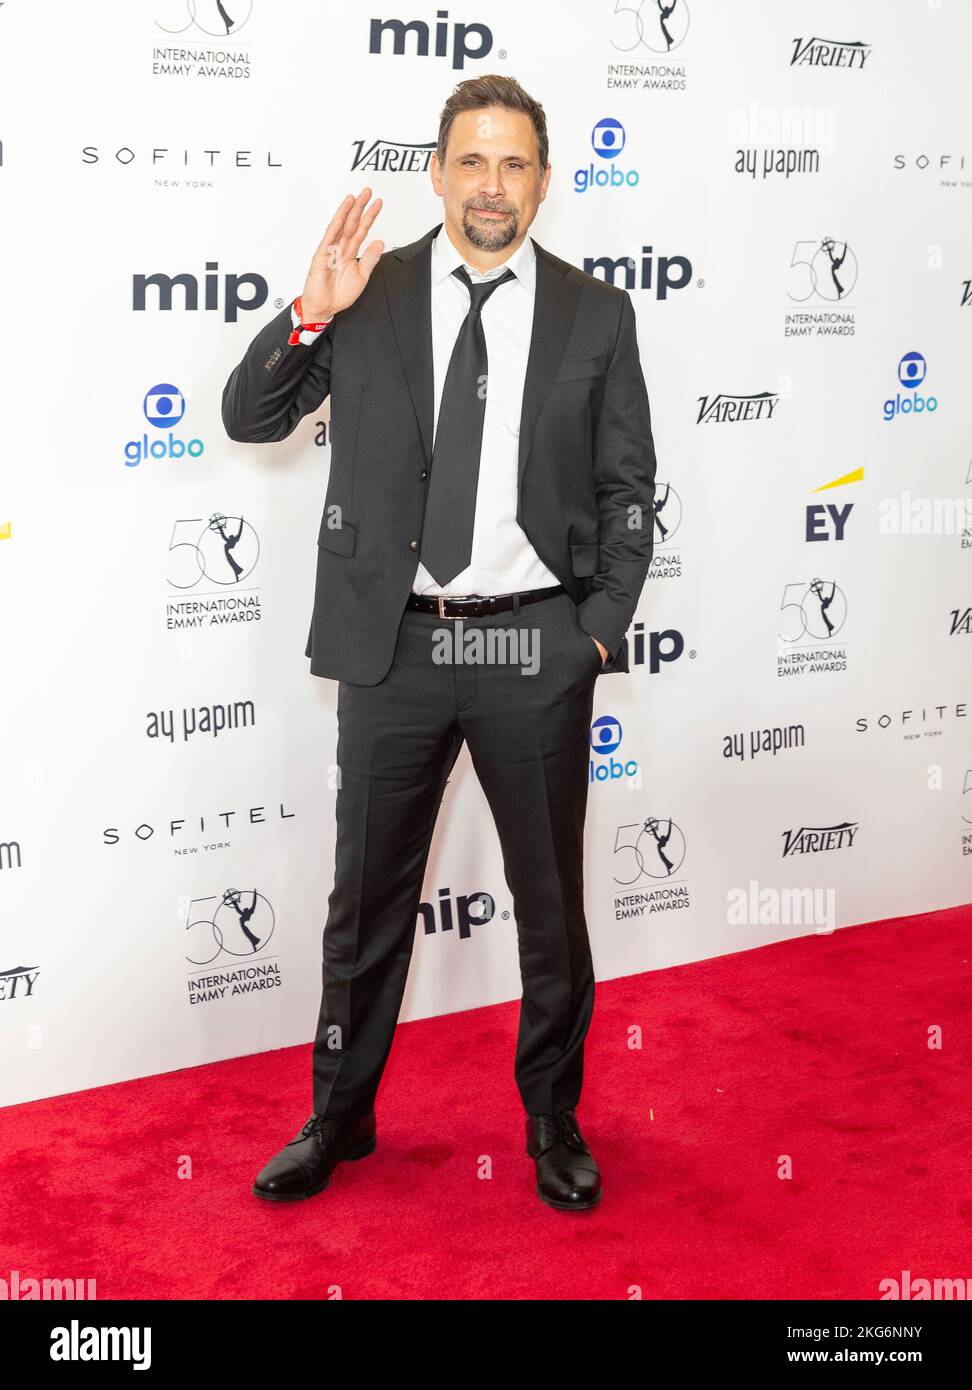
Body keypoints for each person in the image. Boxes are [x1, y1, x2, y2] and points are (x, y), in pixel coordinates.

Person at [221, 73, 656, 1212]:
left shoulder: (595, 314)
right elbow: (249, 416)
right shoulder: (370, 291)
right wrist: (311, 308)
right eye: (473, 161)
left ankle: (554, 1119)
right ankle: (337, 1117)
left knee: (552, 906)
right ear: (437, 170)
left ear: (545, 182)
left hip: (532, 651)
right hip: (398, 648)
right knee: (364, 903)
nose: (493, 186)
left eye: (516, 164)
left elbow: (628, 488)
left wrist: (595, 635)